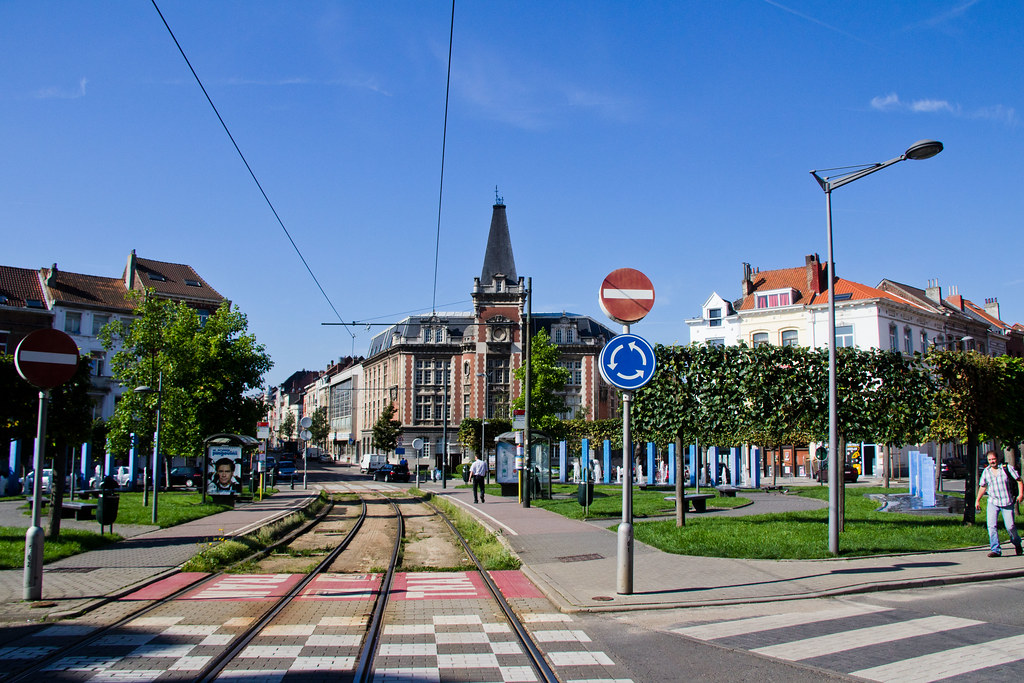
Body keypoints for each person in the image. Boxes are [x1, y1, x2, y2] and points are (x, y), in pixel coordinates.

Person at [975, 450, 1024, 557]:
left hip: (1007, 502)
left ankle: (1017, 543)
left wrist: (1021, 494)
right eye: (990, 460)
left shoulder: (1006, 468)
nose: (992, 461)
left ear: (997, 459)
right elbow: (983, 486)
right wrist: (977, 500)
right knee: (991, 526)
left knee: (1010, 526)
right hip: (993, 502)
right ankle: (995, 549)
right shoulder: (986, 471)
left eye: (993, 459)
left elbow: (1019, 480)